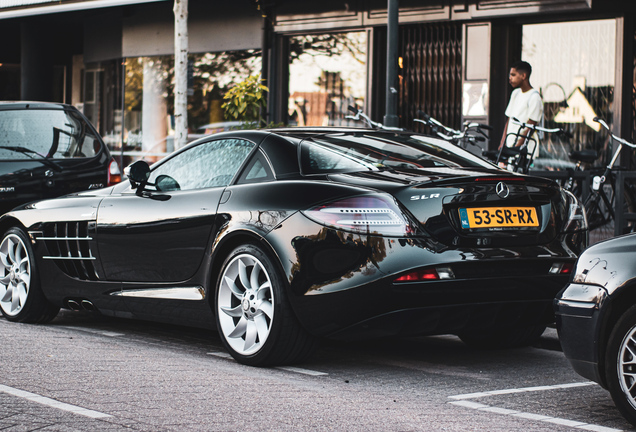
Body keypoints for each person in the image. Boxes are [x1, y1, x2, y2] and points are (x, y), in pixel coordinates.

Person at [499, 61, 543, 163]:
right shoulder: (515, 93)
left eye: (513, 75)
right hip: (510, 147)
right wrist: (502, 144)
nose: (510, 78)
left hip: (524, 151)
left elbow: (530, 126)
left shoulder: (534, 97)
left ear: (523, 76)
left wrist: (516, 148)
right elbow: (509, 120)